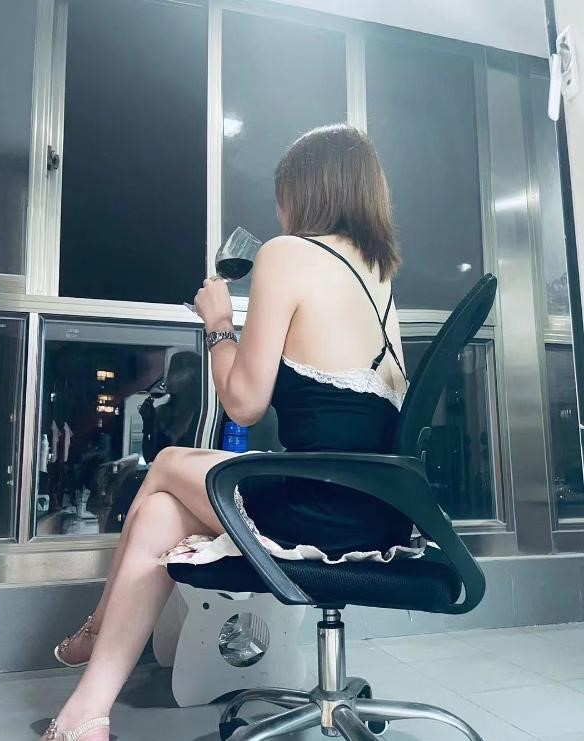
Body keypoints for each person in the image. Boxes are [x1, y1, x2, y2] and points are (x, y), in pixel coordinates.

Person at [42, 124, 411, 741]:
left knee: (165, 464)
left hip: (319, 510)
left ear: (305, 192)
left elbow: (242, 404)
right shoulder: (379, 279)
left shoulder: (287, 254)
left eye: (282, 195)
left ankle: (97, 626)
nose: (278, 212)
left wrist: (218, 324)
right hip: (380, 510)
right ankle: (87, 713)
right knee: (160, 511)